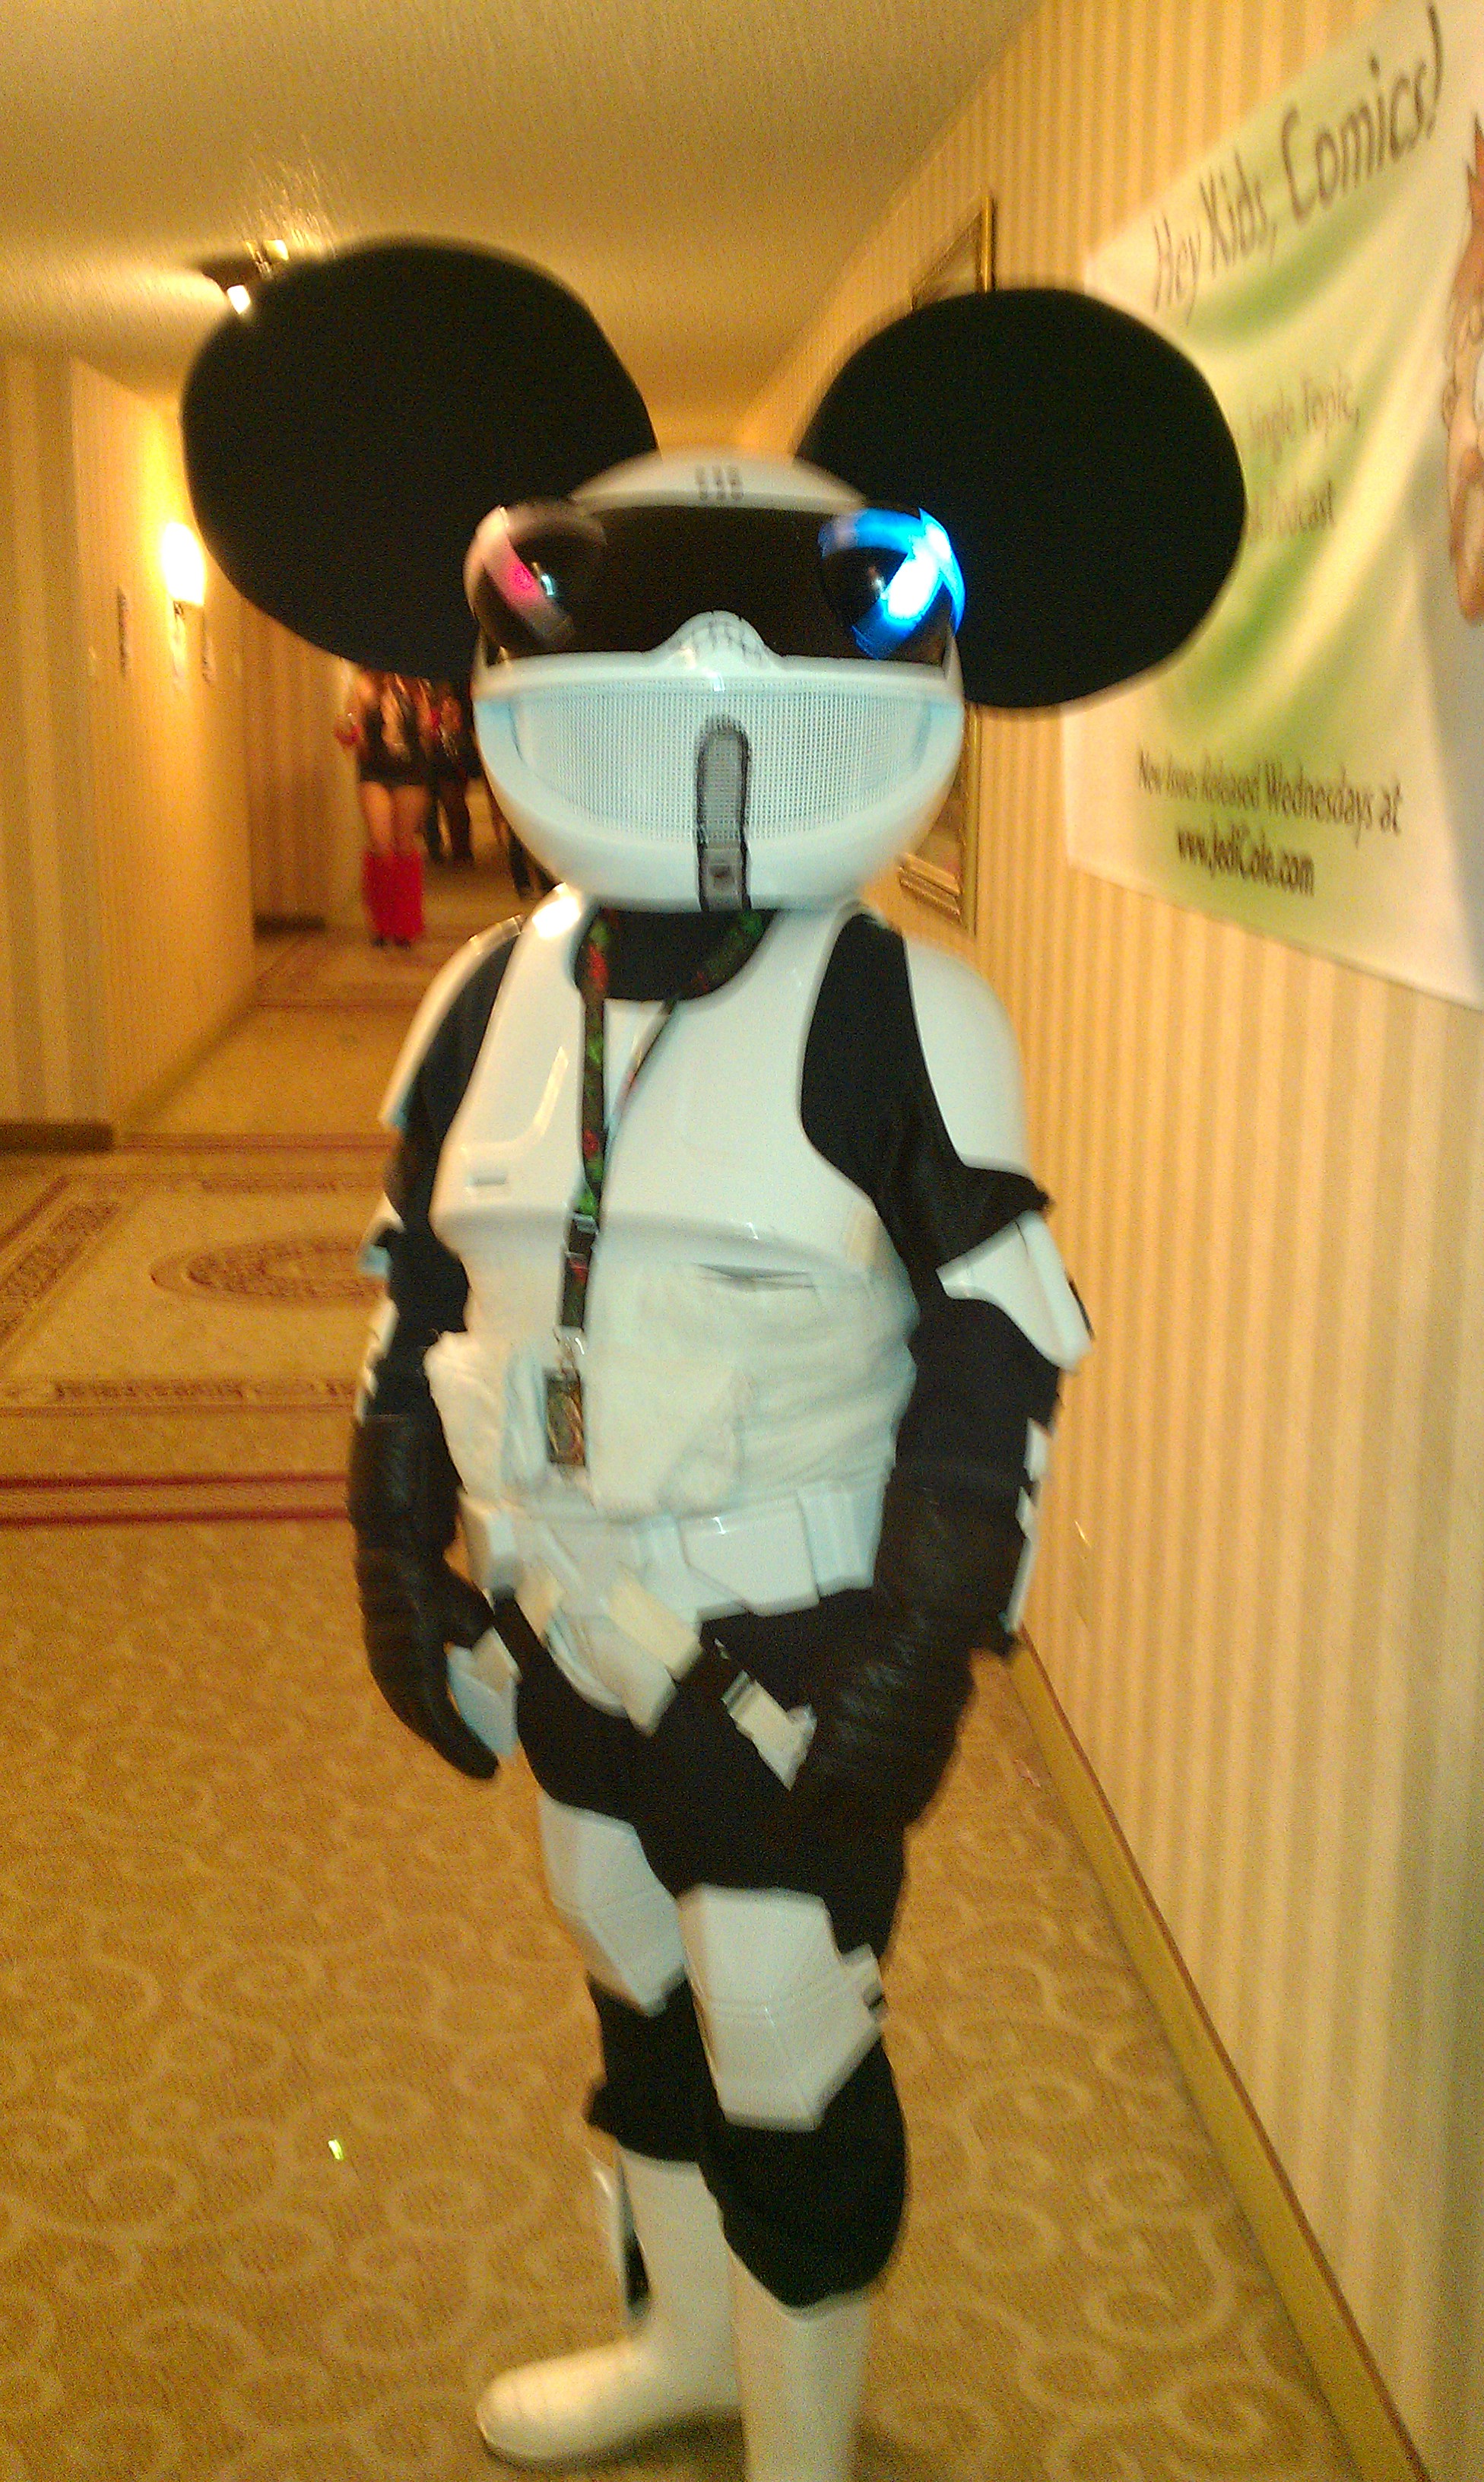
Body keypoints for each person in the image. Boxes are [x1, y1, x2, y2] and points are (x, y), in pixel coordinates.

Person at [182, 237, 1243, 2482]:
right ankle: (682, 2346)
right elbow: (417, 1293)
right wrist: (396, 1547)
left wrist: (925, 1637)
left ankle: (799, 2437)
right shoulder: (480, 998)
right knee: (625, 1963)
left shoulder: (897, 1011)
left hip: (785, 1636)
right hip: (558, 1612)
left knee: (784, 2026)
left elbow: (996, 1345)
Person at [337, 668, 427, 944]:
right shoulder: (365, 685)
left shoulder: (415, 685)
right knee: (380, 843)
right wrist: (350, 728)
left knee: (404, 846)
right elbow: (351, 730)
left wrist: (423, 715)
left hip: (410, 771)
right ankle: (381, 923)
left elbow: (425, 730)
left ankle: (405, 924)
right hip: (374, 772)